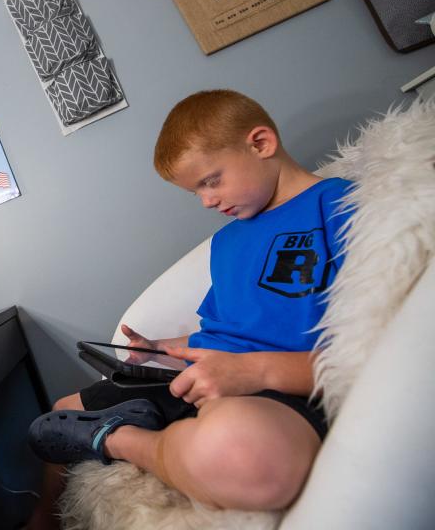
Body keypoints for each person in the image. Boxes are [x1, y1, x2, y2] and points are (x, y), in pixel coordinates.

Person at [26, 90, 353, 529]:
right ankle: (43, 520)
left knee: (246, 459)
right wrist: (160, 349)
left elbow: (365, 349)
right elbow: (217, 331)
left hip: (268, 388)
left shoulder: (337, 204)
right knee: (60, 409)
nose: (207, 202)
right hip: (196, 375)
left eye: (210, 180)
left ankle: (118, 440)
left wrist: (253, 373)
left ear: (260, 144)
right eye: (194, 192)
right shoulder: (228, 241)